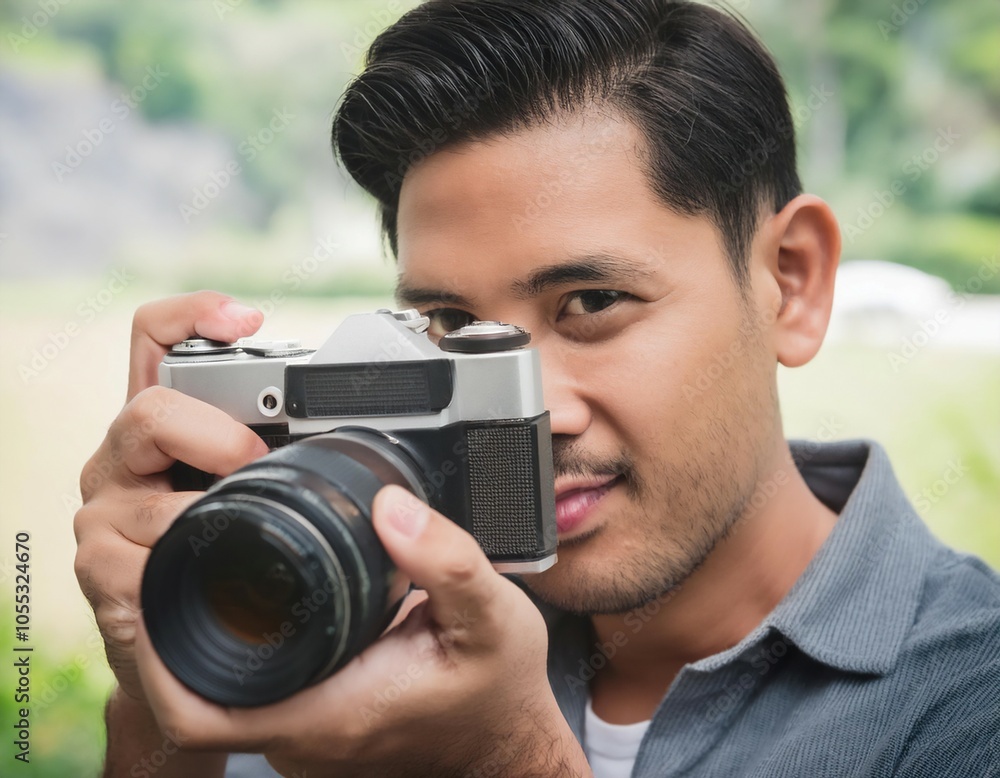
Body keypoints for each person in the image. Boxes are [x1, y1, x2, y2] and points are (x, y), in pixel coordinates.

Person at [74, 1, 1000, 776]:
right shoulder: (347, 608)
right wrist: (171, 687)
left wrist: (505, 757)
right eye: (454, 327)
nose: (533, 413)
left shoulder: (971, 695)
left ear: (790, 282)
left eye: (592, 303)